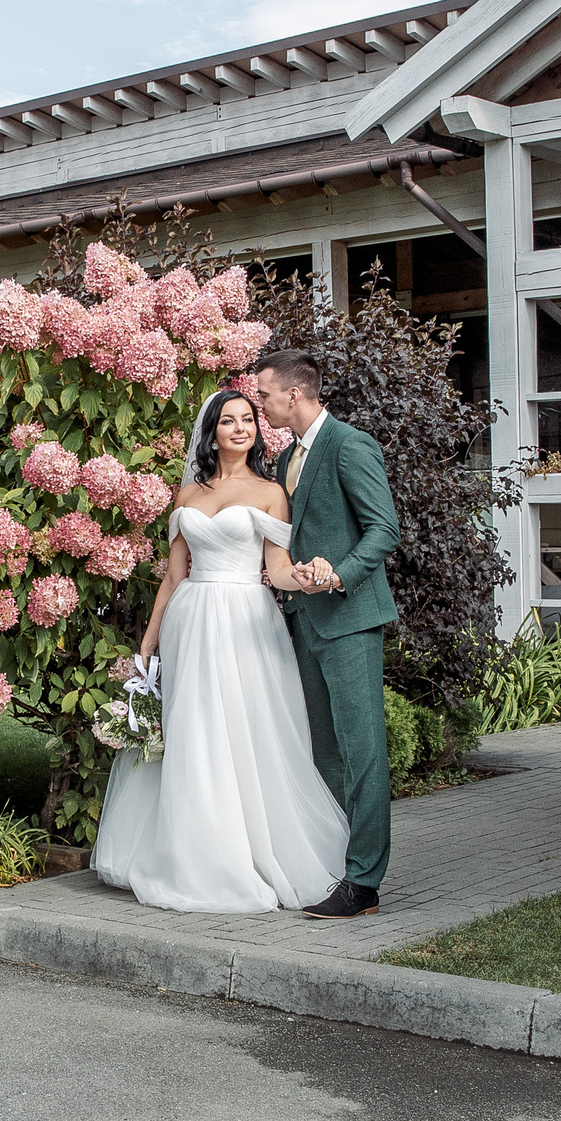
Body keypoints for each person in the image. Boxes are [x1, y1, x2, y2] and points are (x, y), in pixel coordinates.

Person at [90, 390, 349, 914]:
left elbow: (276, 568)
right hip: (191, 617)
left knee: (246, 729)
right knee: (195, 730)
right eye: (227, 420)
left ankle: (249, 855)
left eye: (248, 419)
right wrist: (149, 641)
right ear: (211, 431)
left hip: (246, 618)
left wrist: (303, 579)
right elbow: (173, 573)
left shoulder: (271, 492)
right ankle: (191, 851)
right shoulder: (187, 494)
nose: (240, 428)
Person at [252, 348, 401, 919]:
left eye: (264, 394)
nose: (259, 404)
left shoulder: (349, 444)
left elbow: (383, 529)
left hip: (350, 618)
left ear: (294, 393)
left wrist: (339, 574)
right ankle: (339, 864)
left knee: (362, 751)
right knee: (324, 751)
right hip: (302, 620)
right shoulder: (286, 456)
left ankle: (364, 884)